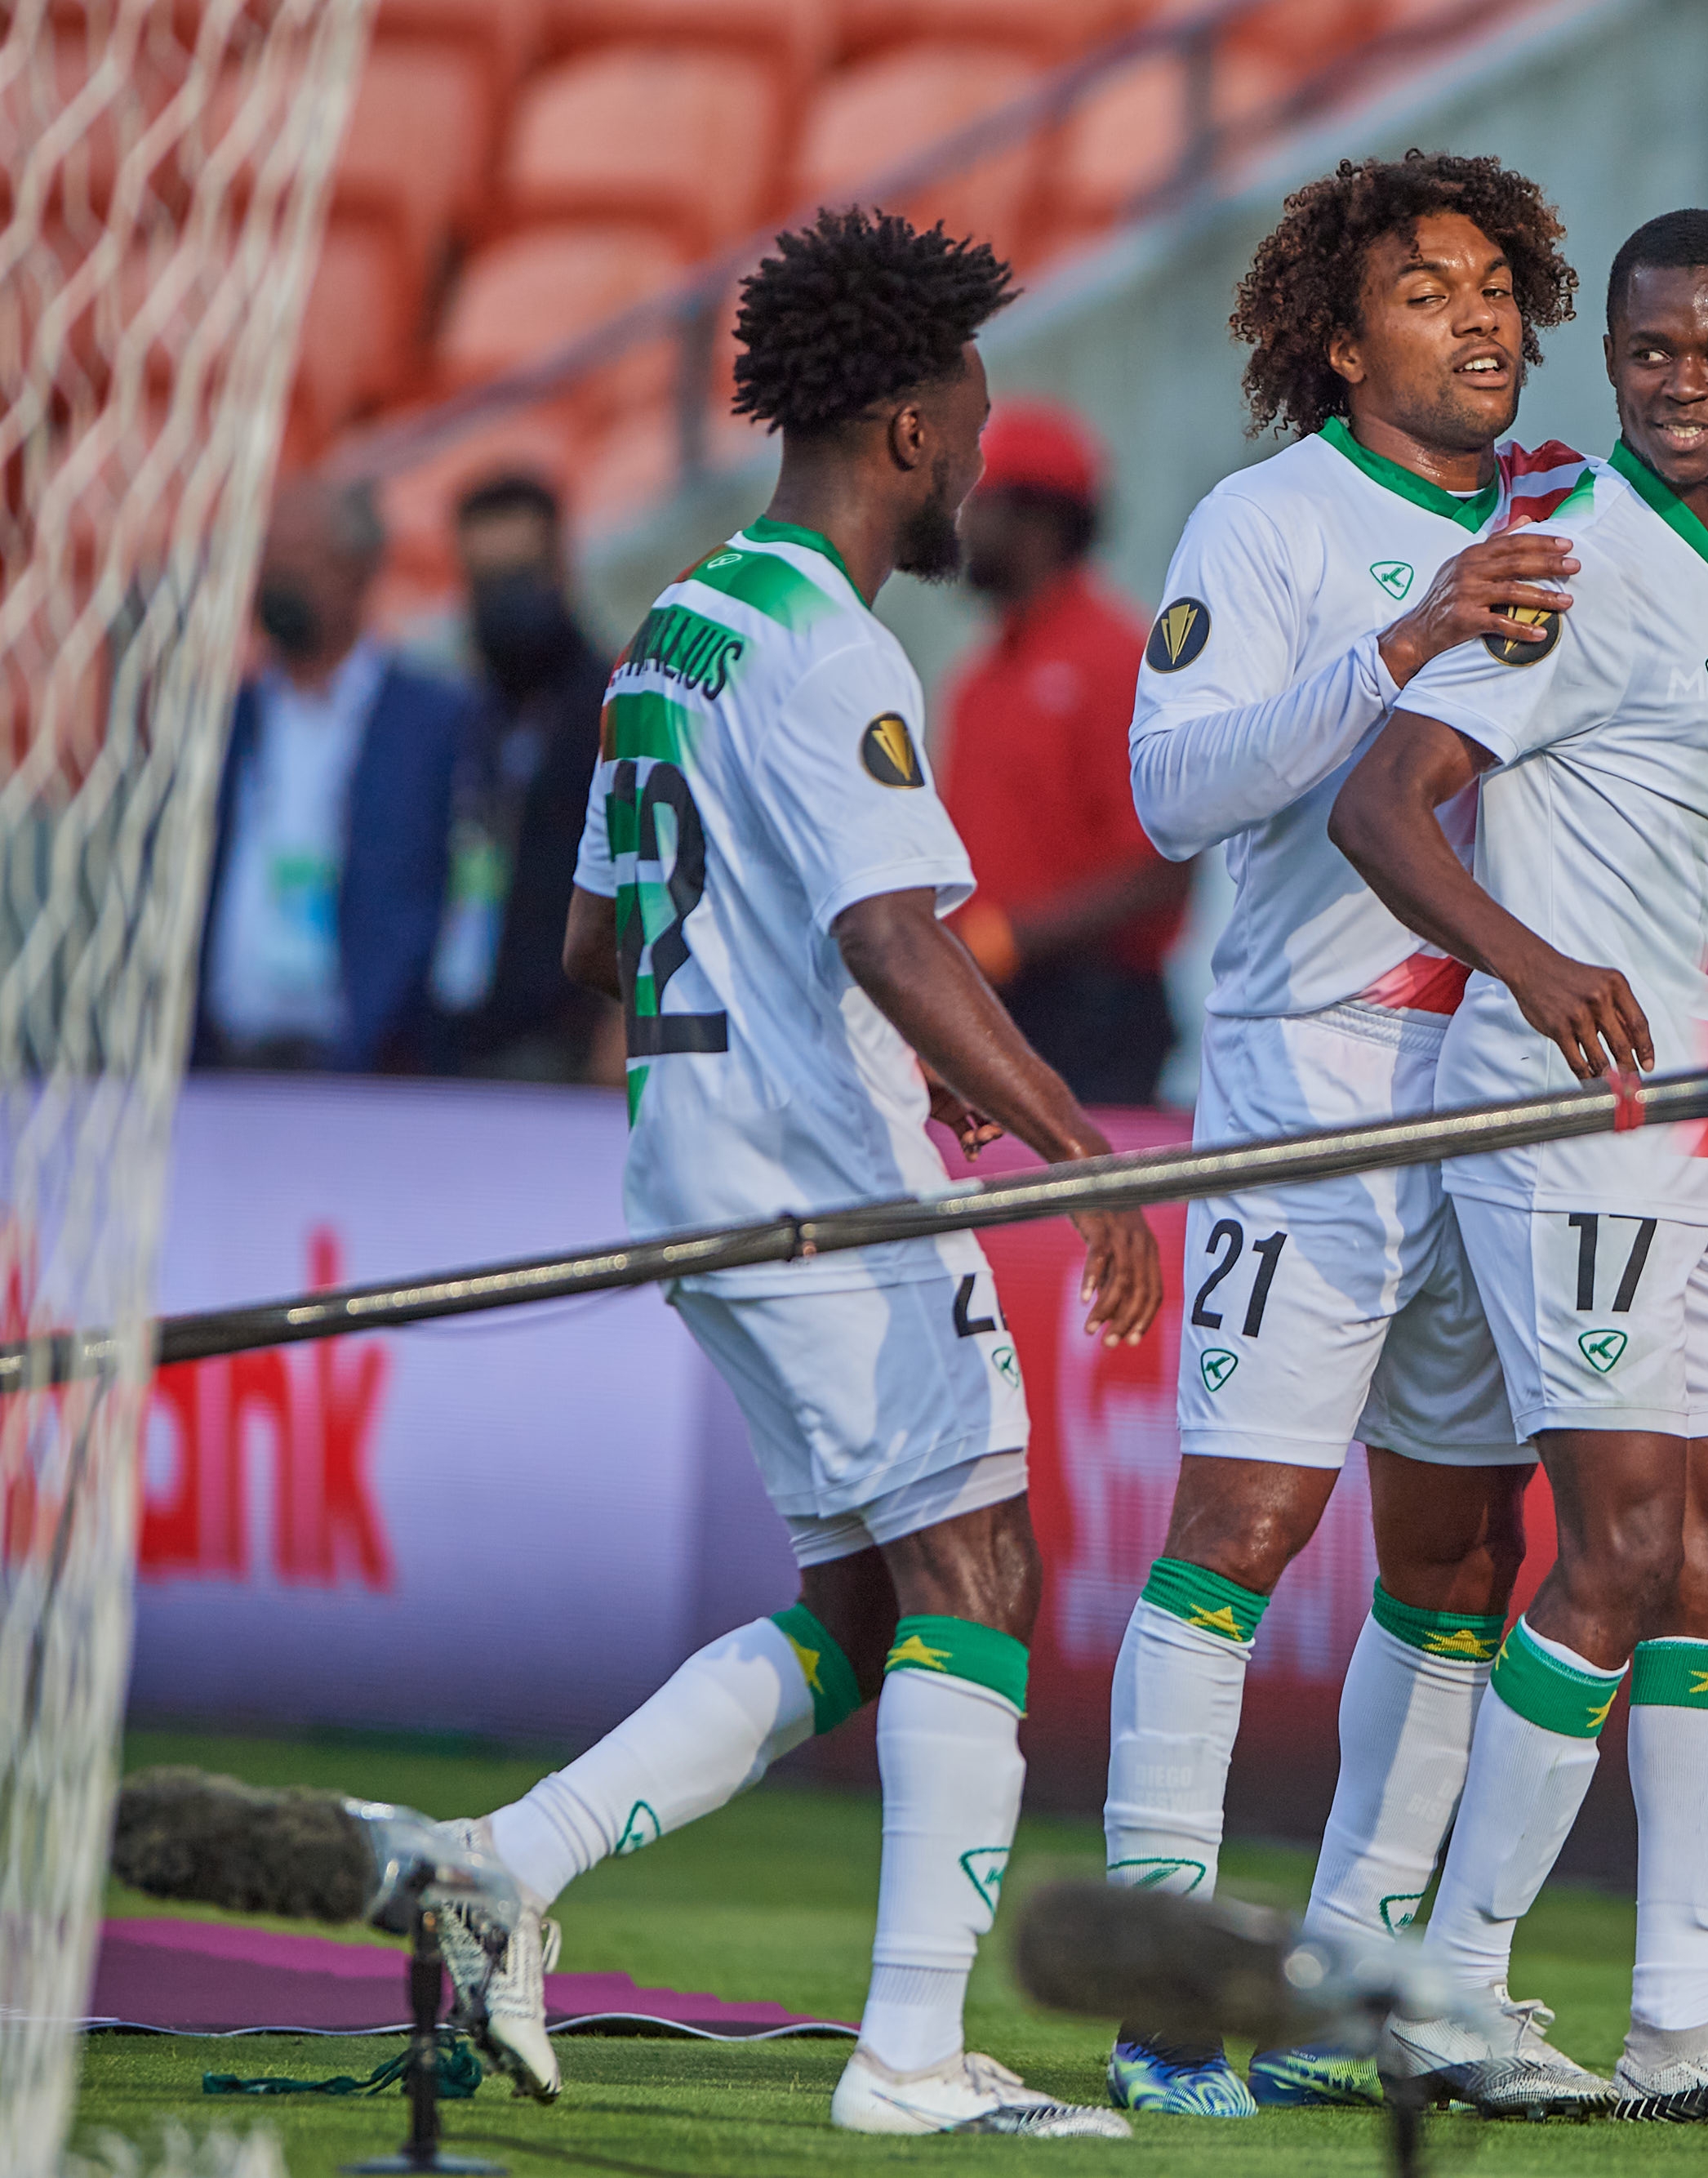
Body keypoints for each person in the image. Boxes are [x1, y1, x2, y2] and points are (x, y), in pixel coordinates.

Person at [446, 206, 1162, 2140]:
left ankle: (506, 1864)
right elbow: (892, 938)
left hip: (690, 1164)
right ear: (913, 431)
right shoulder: (831, 646)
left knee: (870, 1610)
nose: (983, 455)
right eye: (976, 414)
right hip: (826, 1177)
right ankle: (910, 2063)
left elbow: (594, 949)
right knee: (982, 1569)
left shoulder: (677, 624)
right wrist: (1081, 1154)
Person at [1333, 208, 1708, 2131]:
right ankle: (1447, 1988)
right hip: (1575, 1128)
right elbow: (1379, 803)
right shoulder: (1568, 564)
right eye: (1651, 349)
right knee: (1628, 1539)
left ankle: (1678, 2022)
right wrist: (1537, 965)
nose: (1683, 378)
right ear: (1617, 359)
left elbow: (1681, 831)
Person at [1104, 150, 1593, 2119]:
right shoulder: (1273, 515)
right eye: (1425, 288)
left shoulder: (1567, 511)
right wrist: (1401, 641)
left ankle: (1356, 1978)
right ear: (1337, 334)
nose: (1477, 316)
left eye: (1497, 282)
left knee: (1463, 1548)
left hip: (1495, 1093)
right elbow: (1168, 791)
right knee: (1239, 1530)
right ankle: (1159, 1992)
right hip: (1310, 1088)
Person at [940, 399, 1190, 1106]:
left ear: (1040, 522)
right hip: (996, 1009)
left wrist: (1011, 938)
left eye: (980, 504)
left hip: (1092, 1017)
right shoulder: (981, 677)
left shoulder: (1114, 660)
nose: (963, 525)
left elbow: (1163, 865)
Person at [197, 475, 471, 1074]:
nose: (276, 576)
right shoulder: (217, 727)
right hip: (225, 1067)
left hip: (367, 1073)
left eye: (299, 557)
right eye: (267, 555)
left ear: (359, 569)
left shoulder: (434, 723)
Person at [433, 471, 616, 1081]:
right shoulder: (462, 719)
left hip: (562, 1045)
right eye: (485, 583)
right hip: (452, 1036)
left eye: (519, 577)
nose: (503, 602)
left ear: (560, 567)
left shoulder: (616, 713)